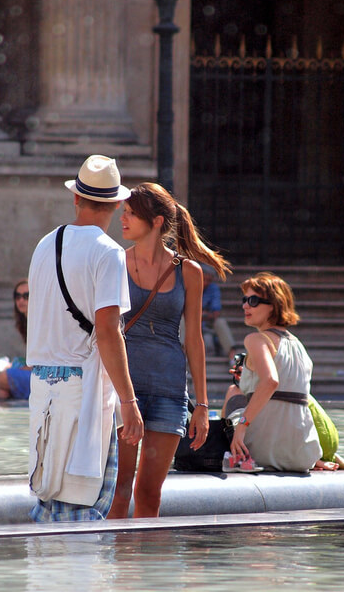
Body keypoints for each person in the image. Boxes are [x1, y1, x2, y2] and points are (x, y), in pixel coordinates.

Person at [26, 154, 144, 522]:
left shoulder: (45, 244)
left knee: (48, 499)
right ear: (116, 204)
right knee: (84, 506)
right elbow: (108, 332)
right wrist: (129, 400)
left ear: (76, 198)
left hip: (42, 384)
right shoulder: (108, 253)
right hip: (83, 386)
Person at [108, 183, 228, 518]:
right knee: (117, 491)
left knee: (149, 493)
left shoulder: (188, 271)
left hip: (169, 391)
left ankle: (147, 568)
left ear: (157, 221)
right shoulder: (115, 262)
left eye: (131, 213)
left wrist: (202, 405)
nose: (123, 217)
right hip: (123, 390)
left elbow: (194, 339)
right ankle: (117, 568)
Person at [222, 272, 322, 472]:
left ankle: (229, 452)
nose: (245, 306)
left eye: (253, 300)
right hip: (302, 454)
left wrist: (241, 426)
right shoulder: (299, 346)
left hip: (260, 450)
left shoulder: (256, 339)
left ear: (274, 305)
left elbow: (270, 382)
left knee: (234, 391)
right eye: (244, 300)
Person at [0, 279, 32, 399]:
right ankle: (3, 391)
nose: (21, 300)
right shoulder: (24, 322)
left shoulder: (41, 322)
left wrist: (15, 369)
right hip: (27, 368)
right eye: (17, 296)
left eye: (26, 296)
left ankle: (3, 393)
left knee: (2, 375)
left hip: (40, 374)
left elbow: (40, 361)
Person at [201, 263, 237, 361]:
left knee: (220, 322)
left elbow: (216, 313)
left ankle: (232, 354)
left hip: (207, 324)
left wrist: (202, 315)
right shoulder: (188, 286)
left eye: (208, 280)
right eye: (203, 279)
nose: (205, 283)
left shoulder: (213, 289)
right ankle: (182, 352)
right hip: (190, 324)